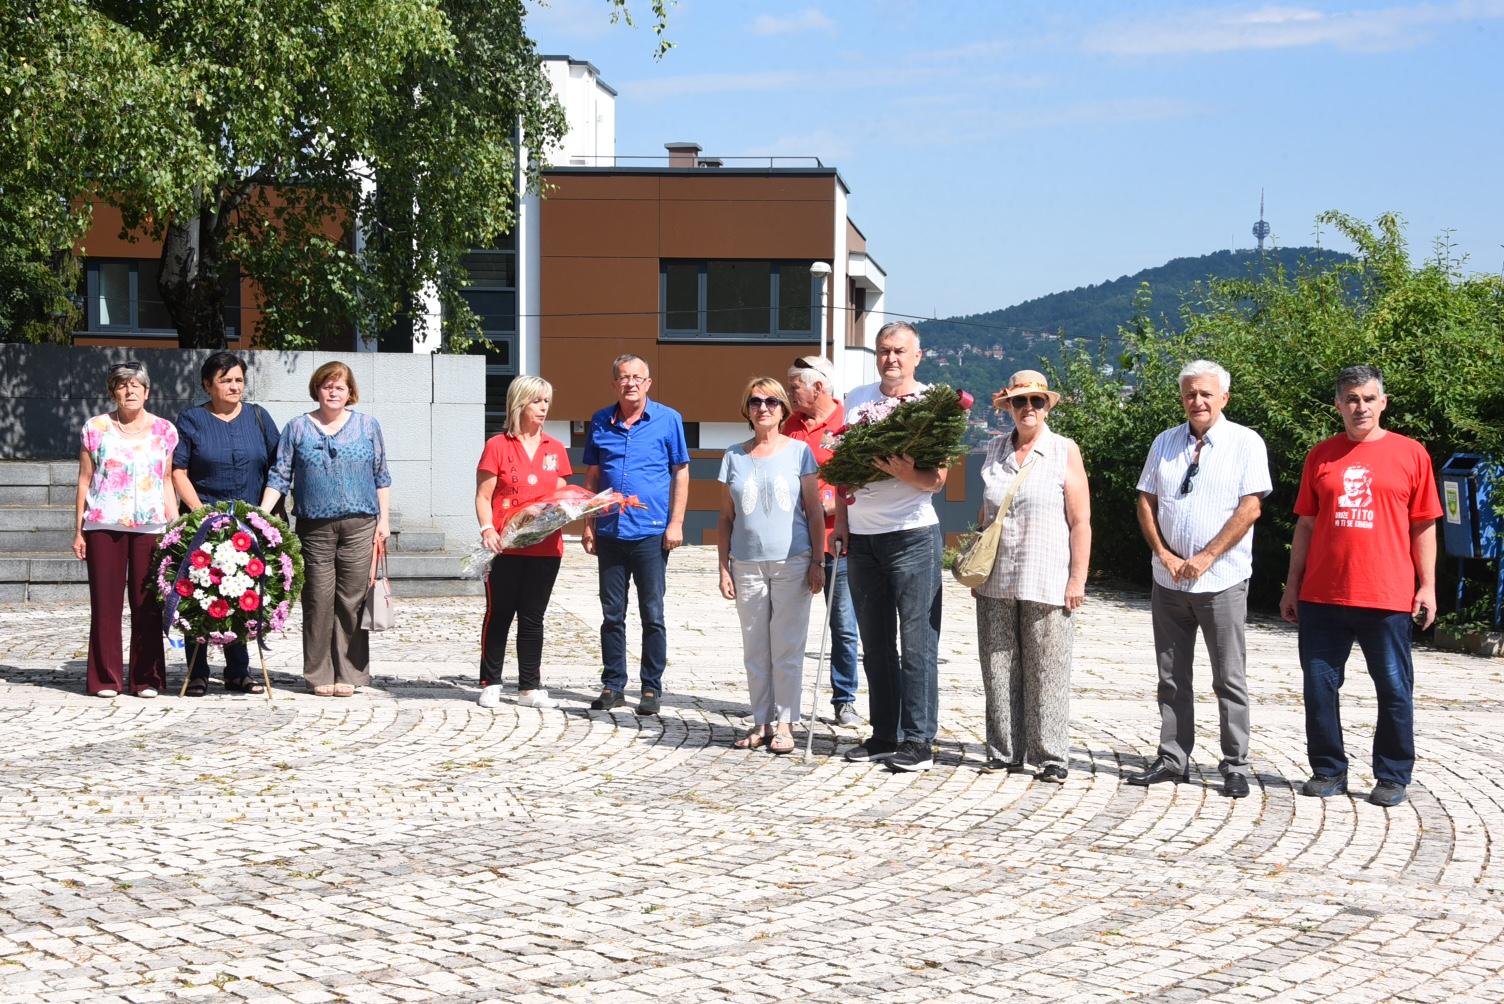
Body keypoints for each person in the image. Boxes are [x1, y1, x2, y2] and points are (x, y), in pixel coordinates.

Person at [1280, 365, 1440, 808]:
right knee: (1318, 687)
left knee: (1392, 689)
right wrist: (1292, 586)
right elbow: (1306, 525)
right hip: (1322, 596)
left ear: (1383, 403)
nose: (1360, 407)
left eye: (1368, 398)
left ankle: (1391, 775)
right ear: (1338, 405)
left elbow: (1424, 526)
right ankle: (1328, 770)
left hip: (1387, 596)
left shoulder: (1411, 454)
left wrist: (1427, 586)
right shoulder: (1322, 456)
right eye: (1351, 399)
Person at [1128, 360, 1271, 798]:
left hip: (1222, 580)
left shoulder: (1246, 442)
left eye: (1206, 393)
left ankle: (1235, 763)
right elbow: (1145, 501)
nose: (1198, 401)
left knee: (1229, 678)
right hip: (1168, 580)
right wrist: (1164, 553)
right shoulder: (1165, 442)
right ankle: (1173, 758)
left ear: (1224, 397)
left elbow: (1250, 508)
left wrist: (1207, 556)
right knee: (1171, 677)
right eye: (1191, 394)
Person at [832, 322, 951, 772]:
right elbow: (843, 471)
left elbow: (936, 480)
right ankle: (885, 734)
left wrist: (903, 473)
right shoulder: (857, 399)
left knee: (917, 641)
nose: (891, 359)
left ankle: (919, 740)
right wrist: (841, 523)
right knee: (875, 642)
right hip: (862, 538)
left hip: (913, 535)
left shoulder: (931, 403)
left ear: (917, 356)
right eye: (884, 351)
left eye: (900, 351)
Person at [972, 370, 1091, 783]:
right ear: (1008, 407)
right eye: (1020, 401)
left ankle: (1051, 755)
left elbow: (1081, 521)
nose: (1028, 408)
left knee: (1048, 671)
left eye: (1036, 402)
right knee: (998, 667)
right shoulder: (992, 449)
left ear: (1046, 407)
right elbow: (985, 514)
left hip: (1047, 577)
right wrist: (976, 559)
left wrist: (1077, 579)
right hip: (997, 578)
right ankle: (1004, 750)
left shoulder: (1063, 450)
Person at [260, 361, 392, 698]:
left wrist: (384, 522)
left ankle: (349, 672)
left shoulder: (367, 426)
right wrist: (261, 514)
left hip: (361, 525)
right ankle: (319, 673)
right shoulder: (298, 428)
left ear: (351, 392)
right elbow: (280, 474)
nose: (333, 391)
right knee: (318, 599)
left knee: (351, 600)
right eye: (327, 385)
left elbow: (381, 475)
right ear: (317, 389)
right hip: (314, 527)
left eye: (340, 386)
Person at [718, 377, 826, 754]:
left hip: (793, 562)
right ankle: (760, 721)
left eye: (771, 402)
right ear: (746, 409)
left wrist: (817, 559)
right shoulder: (733, 455)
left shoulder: (799, 453)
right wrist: (722, 566)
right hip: (746, 563)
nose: (763, 408)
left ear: (783, 409)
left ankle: (785, 723)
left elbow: (814, 512)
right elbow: (727, 518)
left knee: (787, 646)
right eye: (755, 401)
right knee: (755, 648)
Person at [581, 354, 690, 716]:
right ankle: (613, 684)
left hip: (650, 532)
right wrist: (588, 523)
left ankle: (650, 687)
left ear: (648, 382)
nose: (630, 383)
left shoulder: (668, 420)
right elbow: (593, 478)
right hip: (611, 531)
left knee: (652, 613)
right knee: (612, 613)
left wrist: (676, 523)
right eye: (623, 377)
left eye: (637, 377)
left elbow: (681, 473)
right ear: (614, 384)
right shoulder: (600, 421)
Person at [170, 351, 281, 696]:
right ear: (208, 384)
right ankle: (197, 669)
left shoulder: (259, 418)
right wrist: (200, 512)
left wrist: (265, 513)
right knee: (202, 592)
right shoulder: (191, 420)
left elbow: (278, 467)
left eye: (238, 380)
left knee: (245, 595)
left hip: (251, 522)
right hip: (206, 522)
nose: (234, 386)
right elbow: (178, 470)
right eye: (226, 380)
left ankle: (238, 670)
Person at [73, 361, 178, 698]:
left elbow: (165, 479)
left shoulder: (165, 430)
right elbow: (84, 480)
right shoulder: (96, 428)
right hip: (104, 522)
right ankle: (105, 679)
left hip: (151, 525)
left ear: (147, 392)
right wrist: (78, 530)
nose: (130, 391)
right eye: (122, 385)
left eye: (136, 385)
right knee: (105, 603)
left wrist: (175, 528)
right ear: (112, 392)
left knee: (147, 603)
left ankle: (146, 678)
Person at [474, 376, 572, 711]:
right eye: (537, 401)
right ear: (520, 404)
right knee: (500, 613)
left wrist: (570, 508)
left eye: (547, 400)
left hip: (545, 548)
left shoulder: (554, 449)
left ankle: (529, 686)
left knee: (533, 616)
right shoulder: (497, 445)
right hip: (505, 546)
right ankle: (491, 681)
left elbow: (561, 495)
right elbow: (483, 496)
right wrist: (488, 528)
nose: (544, 407)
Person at [784, 355, 863, 728]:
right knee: (787, 622)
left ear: (818, 387)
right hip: (796, 540)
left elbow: (860, 478)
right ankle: (785, 700)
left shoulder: (849, 422)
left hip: (838, 540)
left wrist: (831, 503)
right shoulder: (790, 426)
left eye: (794, 385)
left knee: (843, 625)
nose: (789, 392)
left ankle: (844, 700)